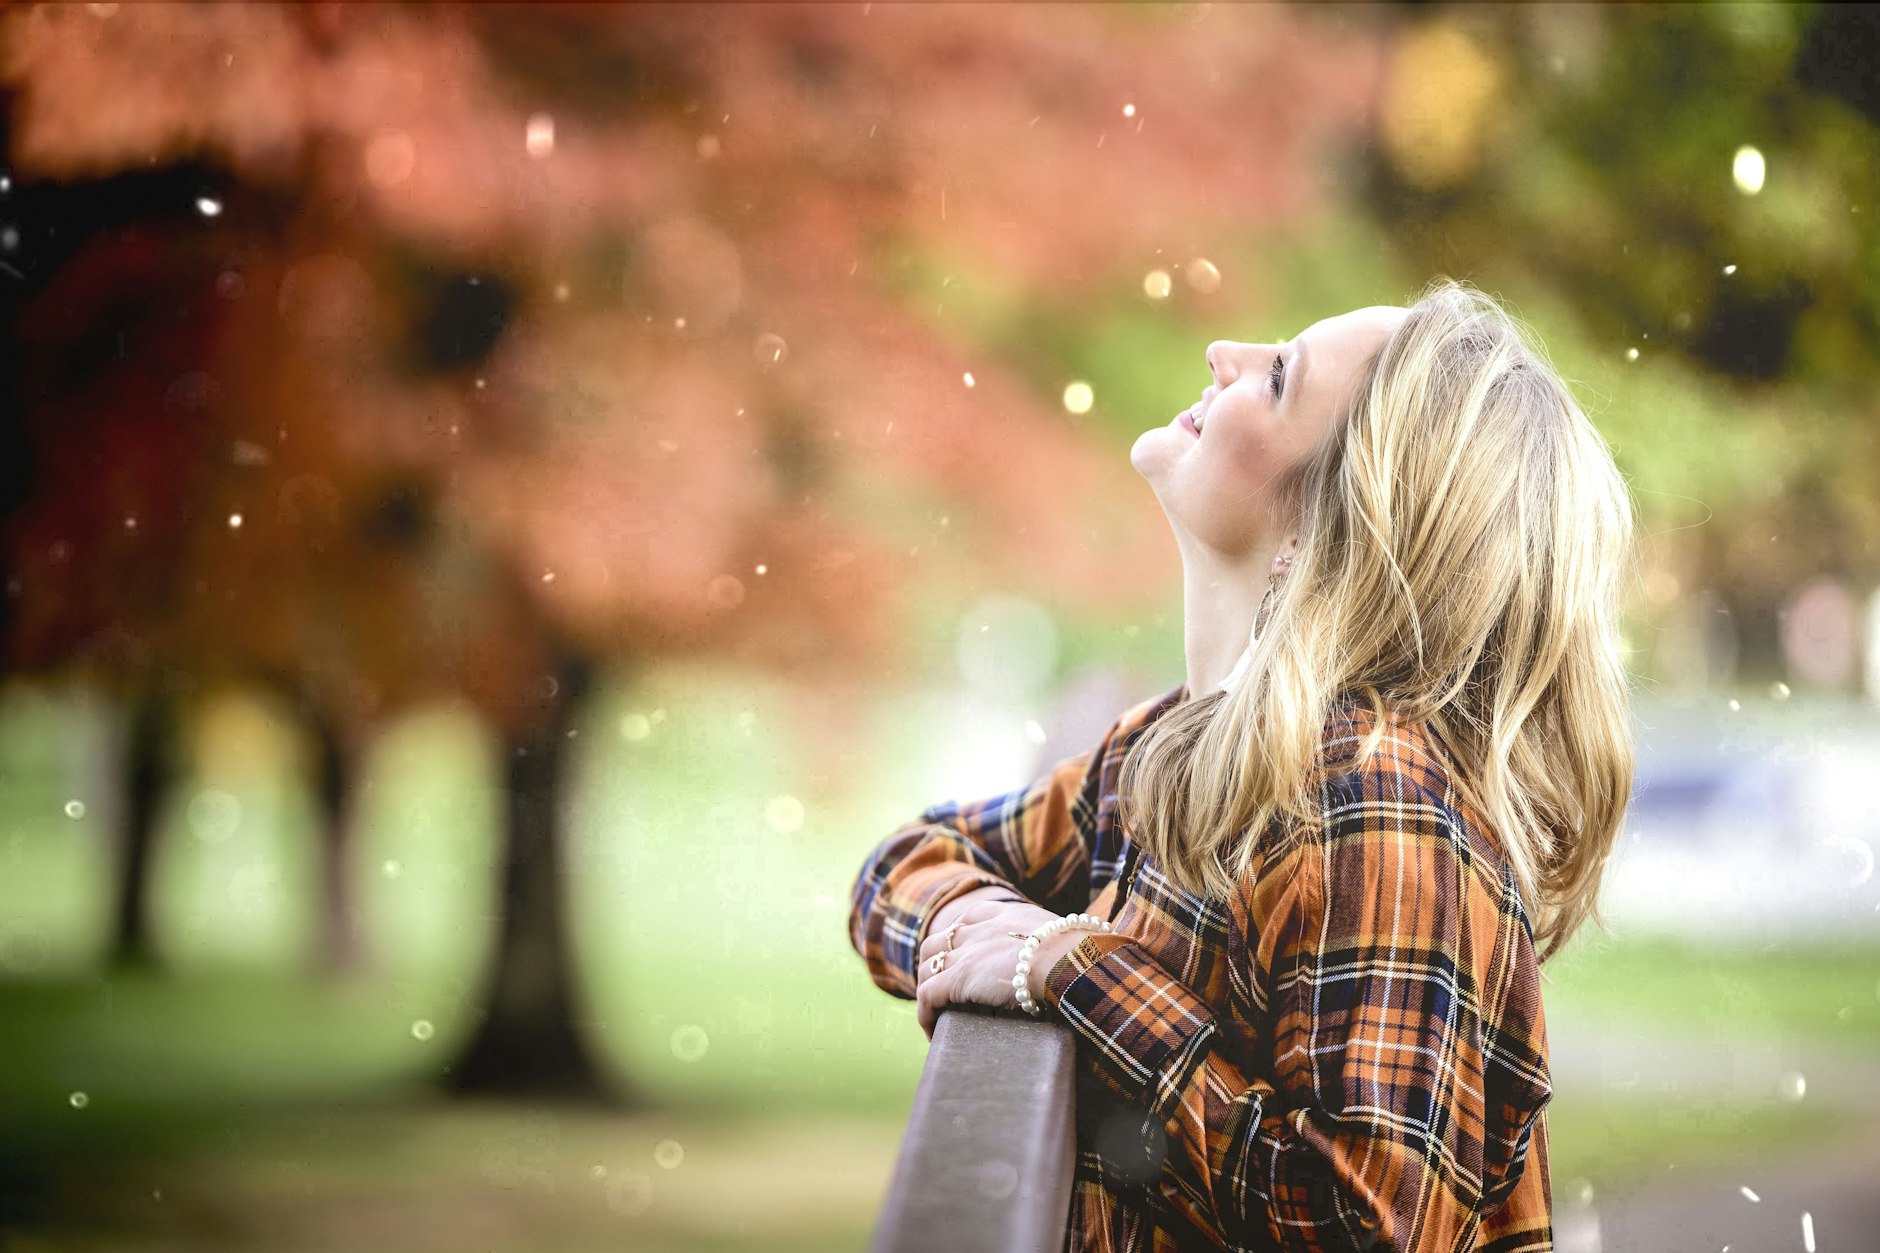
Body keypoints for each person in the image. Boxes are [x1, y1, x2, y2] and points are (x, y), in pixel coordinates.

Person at [848, 278, 1636, 1252]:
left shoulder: (1375, 805)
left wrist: (1069, 968)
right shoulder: (1165, 750)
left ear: (1320, 529)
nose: (1223, 352)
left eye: (1276, 378)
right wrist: (978, 932)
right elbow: (903, 864)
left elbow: (1356, 1223)